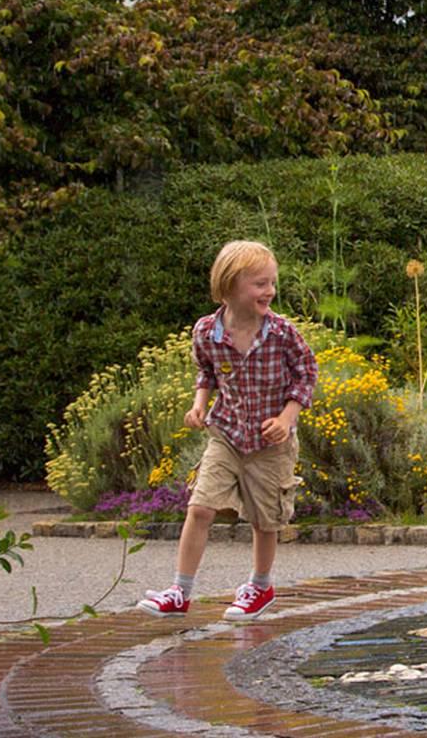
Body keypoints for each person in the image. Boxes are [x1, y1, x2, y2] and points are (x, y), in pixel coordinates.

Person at [137, 240, 317, 619]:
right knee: (200, 507)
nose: (269, 291)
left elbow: (306, 374)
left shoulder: (282, 332)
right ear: (230, 285)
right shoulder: (206, 332)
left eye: (271, 283)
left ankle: (260, 586)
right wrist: (199, 404)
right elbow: (207, 371)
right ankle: (180, 591)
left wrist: (287, 418)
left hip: (271, 444)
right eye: (259, 284)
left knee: (264, 519)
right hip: (227, 434)